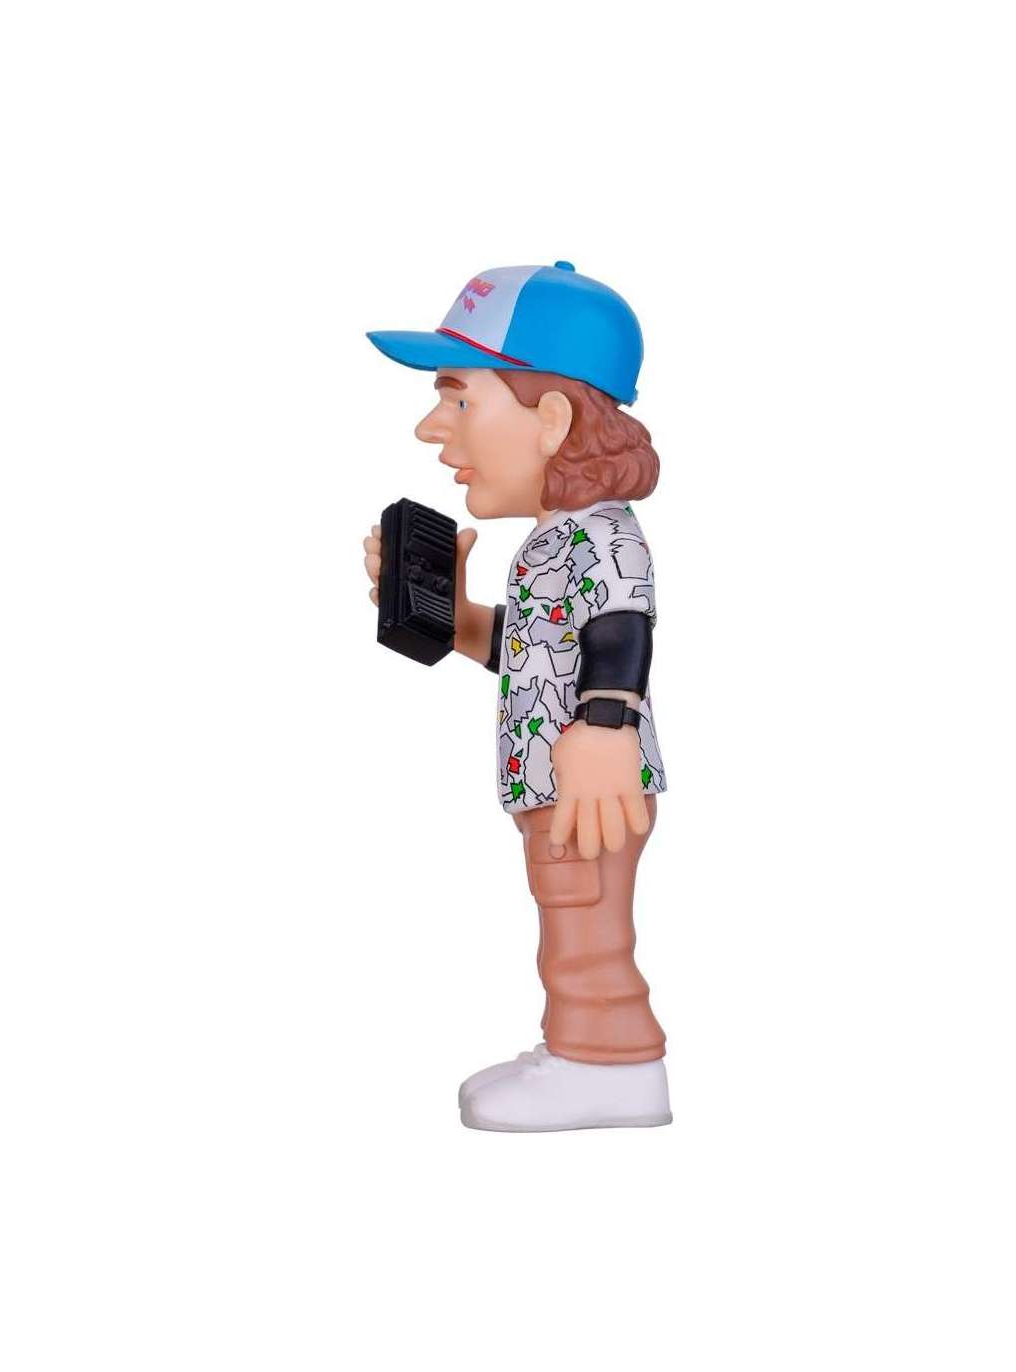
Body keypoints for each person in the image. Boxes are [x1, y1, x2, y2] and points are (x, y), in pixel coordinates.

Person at [363, 262, 671, 1131]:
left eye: (460, 399)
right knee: (568, 917)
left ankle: (609, 1064)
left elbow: (622, 629)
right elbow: (539, 653)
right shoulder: (553, 542)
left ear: (554, 421)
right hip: (557, 779)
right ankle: (576, 1046)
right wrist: (455, 620)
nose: (433, 427)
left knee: (584, 922)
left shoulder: (603, 537)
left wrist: (606, 727)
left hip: (588, 784)